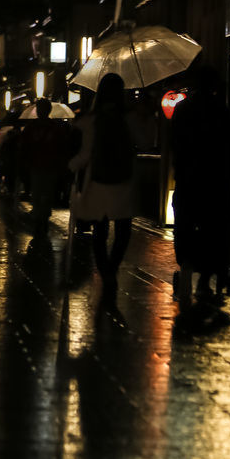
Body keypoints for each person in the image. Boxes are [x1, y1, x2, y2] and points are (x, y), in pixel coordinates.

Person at [170, 66, 230, 306]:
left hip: (188, 179)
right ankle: (206, 280)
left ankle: (186, 269)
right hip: (215, 180)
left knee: (185, 225)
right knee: (213, 229)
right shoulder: (223, 111)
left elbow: (174, 143)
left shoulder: (182, 109)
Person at [68, 74, 137, 295]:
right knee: (123, 229)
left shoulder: (93, 120)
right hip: (123, 181)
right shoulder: (129, 118)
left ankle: (105, 269)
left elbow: (86, 154)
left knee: (100, 228)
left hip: (98, 181)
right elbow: (144, 140)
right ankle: (112, 267)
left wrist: (71, 165)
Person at [20, 99, 75, 244]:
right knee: (46, 194)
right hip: (49, 167)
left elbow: (24, 147)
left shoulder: (32, 128)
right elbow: (63, 148)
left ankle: (40, 218)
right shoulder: (55, 128)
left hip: (39, 166)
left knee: (39, 194)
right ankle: (42, 218)